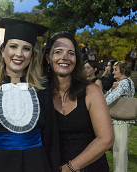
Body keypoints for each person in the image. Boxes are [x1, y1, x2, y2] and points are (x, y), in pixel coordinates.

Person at [0, 18, 60, 172]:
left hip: (36, 163)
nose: (19, 54)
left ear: (32, 54)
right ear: (3, 50)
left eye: (26, 49)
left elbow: (50, 137)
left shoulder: (43, 89)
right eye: (13, 47)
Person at [42, 33, 114, 171]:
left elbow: (106, 139)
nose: (65, 57)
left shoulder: (91, 91)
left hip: (90, 167)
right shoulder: (40, 93)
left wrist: (70, 168)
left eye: (71, 53)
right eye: (58, 52)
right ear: (47, 58)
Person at [104, 60, 135, 172]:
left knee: (119, 152)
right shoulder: (129, 82)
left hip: (120, 121)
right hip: (124, 120)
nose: (113, 72)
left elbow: (107, 100)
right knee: (120, 150)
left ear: (123, 71)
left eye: (115, 70)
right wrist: (112, 89)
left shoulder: (123, 83)